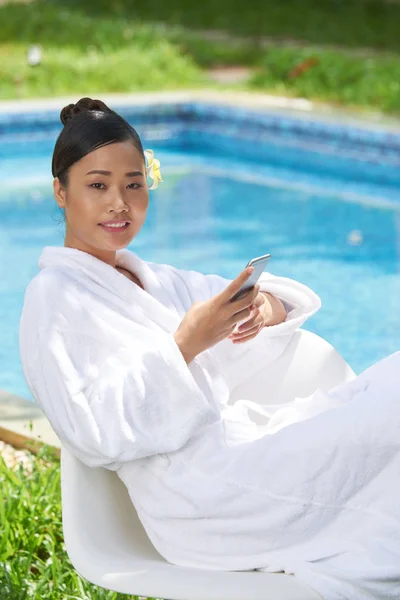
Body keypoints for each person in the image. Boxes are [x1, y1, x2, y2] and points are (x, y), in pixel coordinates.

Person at [19, 98, 400, 600]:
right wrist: (183, 346)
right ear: (60, 193)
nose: (120, 203)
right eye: (98, 185)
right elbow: (92, 432)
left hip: (242, 450)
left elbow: (253, 305)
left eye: (134, 183)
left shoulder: (154, 279)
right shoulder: (54, 300)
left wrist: (262, 307)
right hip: (203, 500)